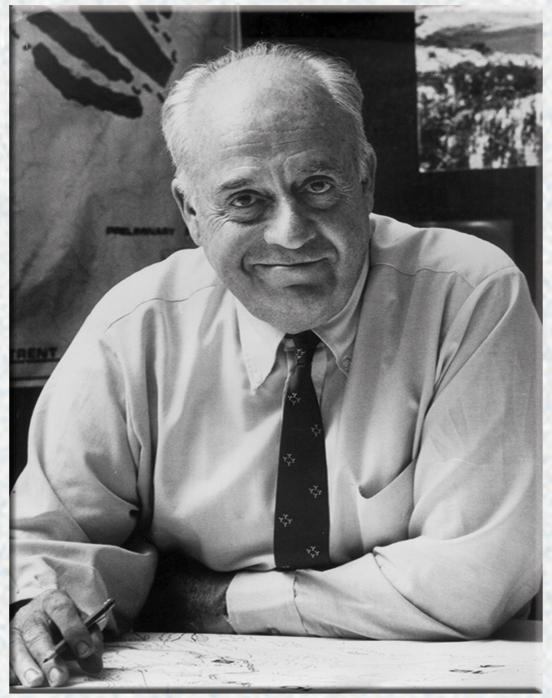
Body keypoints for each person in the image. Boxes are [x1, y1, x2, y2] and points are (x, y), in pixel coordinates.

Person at [10, 42, 541, 688]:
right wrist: (35, 605)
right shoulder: (135, 327)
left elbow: (473, 583)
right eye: (244, 200)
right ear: (191, 211)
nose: (291, 233)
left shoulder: (469, 296)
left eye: (318, 185)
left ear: (365, 179)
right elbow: (40, 546)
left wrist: (210, 600)